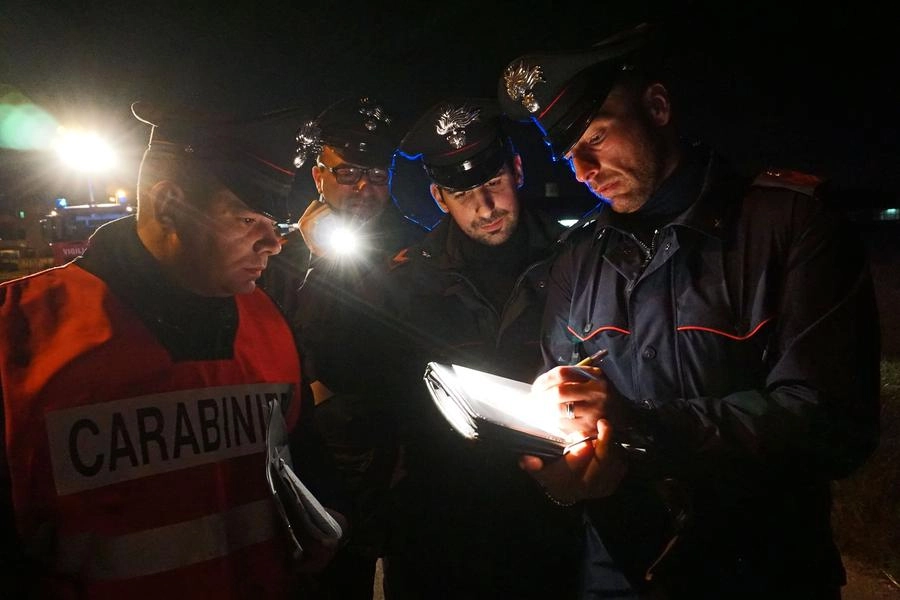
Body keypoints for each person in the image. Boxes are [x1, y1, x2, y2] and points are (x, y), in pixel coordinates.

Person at [497, 23, 881, 599]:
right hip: (619, 577)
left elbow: (833, 424)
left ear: (656, 107)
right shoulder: (574, 261)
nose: (581, 169)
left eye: (596, 138)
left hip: (763, 572)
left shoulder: (791, 226)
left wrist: (647, 427)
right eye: (566, 153)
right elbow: (562, 402)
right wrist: (560, 469)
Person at [0, 102, 344, 598]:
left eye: (276, 223)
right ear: (167, 206)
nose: (272, 243)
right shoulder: (17, 333)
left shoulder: (269, 324)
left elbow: (304, 462)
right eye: (249, 219)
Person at [369, 98, 582, 598]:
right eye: (464, 194)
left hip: (548, 513)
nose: (485, 208)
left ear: (518, 170)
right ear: (439, 198)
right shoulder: (403, 282)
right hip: (440, 522)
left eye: (493, 184)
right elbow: (377, 402)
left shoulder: (574, 259)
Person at [258, 96, 425, 599]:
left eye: (377, 174)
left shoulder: (419, 251)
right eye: (348, 171)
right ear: (318, 177)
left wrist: (329, 260)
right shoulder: (275, 258)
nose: (362, 188)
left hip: (397, 453)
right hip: (311, 459)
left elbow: (375, 351)